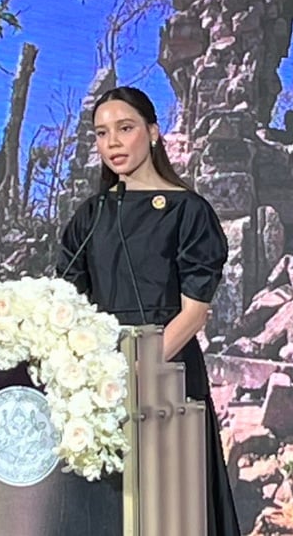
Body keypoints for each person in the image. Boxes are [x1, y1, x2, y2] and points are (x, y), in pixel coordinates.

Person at [59, 86, 241, 536]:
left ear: (154, 133)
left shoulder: (189, 211)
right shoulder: (90, 217)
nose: (113, 143)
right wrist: (94, 376)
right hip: (99, 389)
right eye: (102, 133)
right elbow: (66, 302)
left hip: (167, 376)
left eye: (125, 128)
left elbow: (194, 313)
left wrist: (136, 371)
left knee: (170, 513)